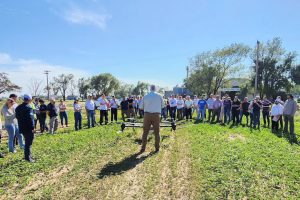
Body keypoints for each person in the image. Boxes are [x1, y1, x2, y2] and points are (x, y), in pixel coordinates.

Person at [139, 85, 164, 153]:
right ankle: (157, 148)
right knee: (157, 132)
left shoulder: (145, 96)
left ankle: (143, 148)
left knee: (145, 132)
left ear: (150, 89)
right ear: (155, 89)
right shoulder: (159, 96)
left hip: (147, 115)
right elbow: (163, 106)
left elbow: (140, 107)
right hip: (156, 115)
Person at [15, 94, 35, 162]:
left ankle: (28, 155)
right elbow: (30, 119)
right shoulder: (28, 108)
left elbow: (17, 117)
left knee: (26, 141)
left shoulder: (18, 108)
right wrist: (32, 127)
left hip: (21, 127)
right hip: (28, 128)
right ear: (29, 100)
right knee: (28, 143)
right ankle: (27, 157)